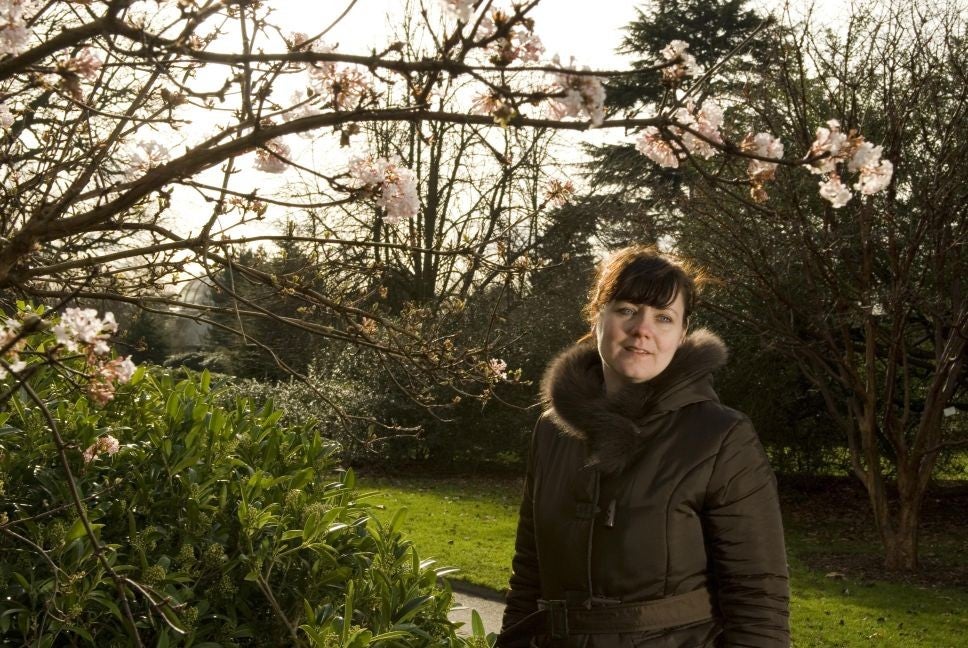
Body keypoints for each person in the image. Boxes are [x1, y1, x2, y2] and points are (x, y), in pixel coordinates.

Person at [497, 246, 790, 648]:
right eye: (627, 310)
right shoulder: (552, 432)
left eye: (663, 317)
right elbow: (529, 576)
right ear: (597, 315)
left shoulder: (721, 436)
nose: (642, 329)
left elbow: (759, 600)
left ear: (682, 334)